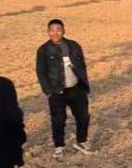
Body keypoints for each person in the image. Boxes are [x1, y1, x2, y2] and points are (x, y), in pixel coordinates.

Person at [36, 19, 92, 157]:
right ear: (48, 32)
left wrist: (83, 83)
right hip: (57, 91)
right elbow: (41, 72)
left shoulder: (73, 46)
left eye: (58, 30)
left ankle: (81, 141)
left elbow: (82, 65)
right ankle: (59, 146)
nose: (55, 33)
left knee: (83, 116)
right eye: (52, 30)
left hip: (76, 88)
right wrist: (48, 91)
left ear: (63, 31)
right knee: (58, 120)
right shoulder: (44, 50)